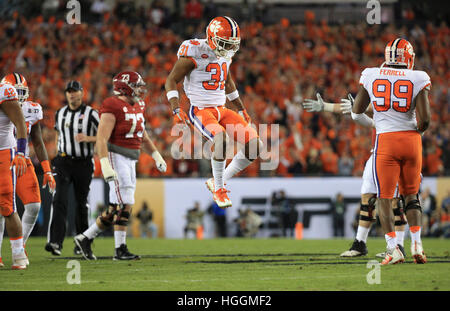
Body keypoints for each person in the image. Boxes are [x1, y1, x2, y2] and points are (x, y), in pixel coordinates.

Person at [165, 16, 261, 209]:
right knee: (221, 140)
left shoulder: (225, 55)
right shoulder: (194, 52)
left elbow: (227, 82)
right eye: (224, 44)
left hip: (222, 109)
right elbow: (170, 81)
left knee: (255, 146)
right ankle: (219, 188)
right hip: (201, 110)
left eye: (231, 45)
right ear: (211, 38)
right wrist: (176, 107)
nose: (228, 49)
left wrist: (241, 108)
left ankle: (218, 179)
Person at [352, 38, 431, 265]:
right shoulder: (419, 77)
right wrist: (416, 132)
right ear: (408, 57)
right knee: (411, 195)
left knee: (385, 199)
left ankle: (393, 247)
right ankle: (416, 244)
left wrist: (378, 124)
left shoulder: (371, 74)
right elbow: (425, 120)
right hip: (411, 141)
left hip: (385, 141)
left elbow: (356, 113)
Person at [74, 71, 167, 260]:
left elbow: (143, 136)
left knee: (121, 205)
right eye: (137, 85)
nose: (141, 89)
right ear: (125, 86)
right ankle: (115, 247)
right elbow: (101, 138)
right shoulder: (112, 105)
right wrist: (105, 164)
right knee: (123, 204)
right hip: (116, 157)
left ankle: (89, 238)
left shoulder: (139, 105)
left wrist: (156, 155)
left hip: (131, 159)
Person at [303, 93, 408, 257]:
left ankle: (398, 246)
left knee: (395, 201)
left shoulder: (398, 100)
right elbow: (355, 107)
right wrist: (326, 107)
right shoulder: (387, 96)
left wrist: (351, 107)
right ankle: (360, 243)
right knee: (368, 198)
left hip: (394, 153)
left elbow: (363, 107)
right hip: (377, 153)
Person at [0, 73, 56, 265]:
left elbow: (38, 143)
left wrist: (47, 170)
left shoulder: (31, 109)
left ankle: (20, 246)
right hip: (6, 156)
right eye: (15, 92)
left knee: (34, 205)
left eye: (21, 92)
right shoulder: (3, 99)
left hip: (21, 160)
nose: (19, 96)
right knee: (3, 207)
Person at [46, 80, 99, 256]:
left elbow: (104, 136)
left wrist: (88, 139)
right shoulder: (60, 113)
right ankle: (55, 242)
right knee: (59, 199)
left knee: (81, 203)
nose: (71, 94)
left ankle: (81, 243)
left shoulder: (91, 113)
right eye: (69, 91)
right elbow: (57, 134)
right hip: (63, 162)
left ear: (81, 93)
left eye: (74, 91)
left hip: (83, 162)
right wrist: (58, 151)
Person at [0, 80, 29, 269]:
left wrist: (20, 152)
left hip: (3, 152)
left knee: (7, 205)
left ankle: (19, 254)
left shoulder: (4, 90)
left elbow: (20, 123)